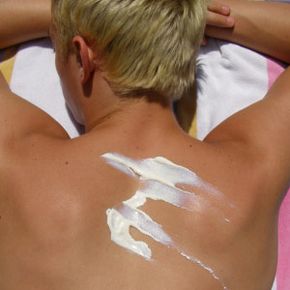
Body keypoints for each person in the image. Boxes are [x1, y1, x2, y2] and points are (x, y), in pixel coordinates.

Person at [0, 1, 289, 290]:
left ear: (82, 56)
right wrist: (191, 13)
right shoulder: (250, 168)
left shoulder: (19, 157)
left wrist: (76, 12)